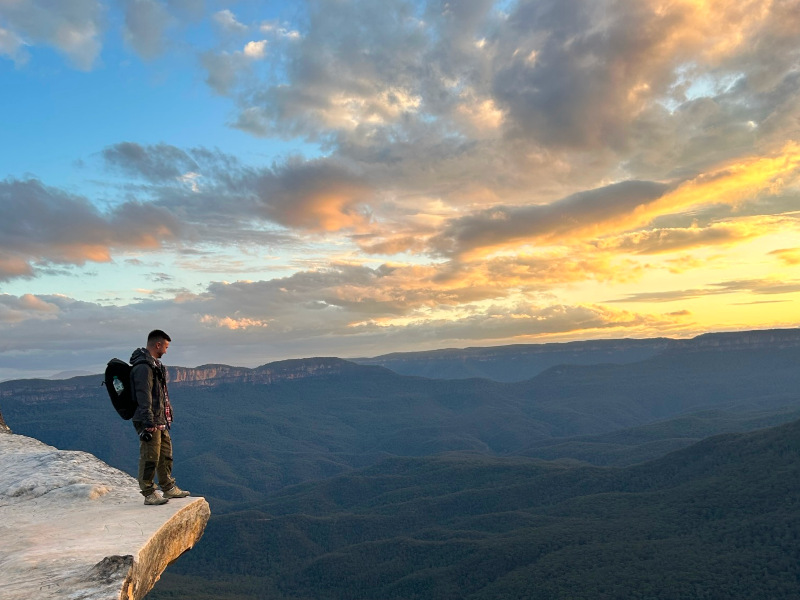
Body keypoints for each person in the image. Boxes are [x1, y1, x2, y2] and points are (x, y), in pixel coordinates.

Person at [130, 329, 190, 505]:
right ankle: (149, 493)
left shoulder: (154, 365)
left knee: (165, 454)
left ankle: (168, 487)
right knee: (150, 456)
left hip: (160, 419)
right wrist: (149, 421)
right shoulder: (143, 367)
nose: (166, 350)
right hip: (149, 420)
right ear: (157, 345)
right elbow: (144, 395)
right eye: (165, 346)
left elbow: (160, 394)